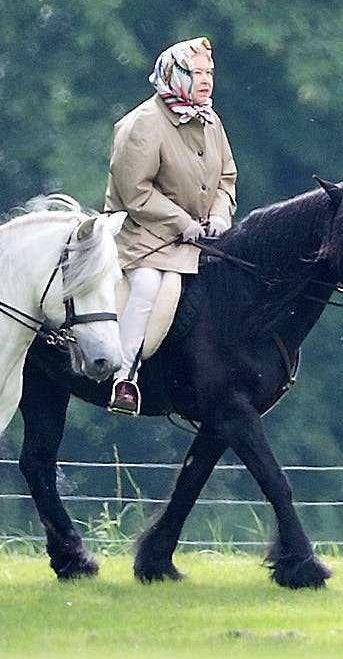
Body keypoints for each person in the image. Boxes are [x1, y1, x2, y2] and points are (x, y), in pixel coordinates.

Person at [103, 37, 237, 415]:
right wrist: (182, 221)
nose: (206, 80)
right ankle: (123, 379)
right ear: (175, 75)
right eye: (196, 73)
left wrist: (221, 214)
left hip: (193, 238)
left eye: (209, 73)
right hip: (141, 235)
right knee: (148, 286)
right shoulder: (143, 123)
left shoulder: (211, 120)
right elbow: (135, 192)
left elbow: (227, 177)